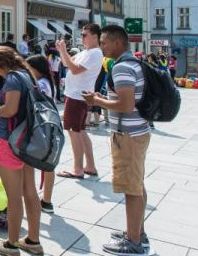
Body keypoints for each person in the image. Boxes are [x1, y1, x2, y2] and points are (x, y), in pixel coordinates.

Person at [83, 25, 152, 255]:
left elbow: (126, 104)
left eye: (104, 42)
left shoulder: (121, 67)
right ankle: (136, 233)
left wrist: (97, 101)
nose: (102, 47)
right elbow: (127, 99)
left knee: (131, 189)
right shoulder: (134, 63)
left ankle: (133, 242)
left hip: (128, 136)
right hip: (137, 131)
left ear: (118, 43)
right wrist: (105, 98)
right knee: (137, 184)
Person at [0, 46, 43, 255]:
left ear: (0, 64)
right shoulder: (27, 75)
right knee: (30, 192)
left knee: (14, 196)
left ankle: (11, 244)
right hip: (27, 140)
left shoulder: (11, 79)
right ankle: (33, 240)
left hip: (10, 141)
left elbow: (10, 110)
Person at [56, 24, 102, 179]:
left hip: (77, 96)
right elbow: (66, 63)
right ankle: (90, 165)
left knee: (73, 131)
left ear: (95, 36)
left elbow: (75, 69)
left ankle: (77, 168)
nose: (82, 37)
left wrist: (63, 51)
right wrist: (62, 51)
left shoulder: (95, 53)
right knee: (80, 131)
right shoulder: (86, 52)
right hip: (77, 95)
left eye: (84, 35)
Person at [26, 54, 56, 215]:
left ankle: (36, 200)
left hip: (40, 128)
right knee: (48, 165)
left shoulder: (41, 85)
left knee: (31, 163)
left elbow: (36, 105)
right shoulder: (47, 82)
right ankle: (46, 200)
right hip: (49, 126)